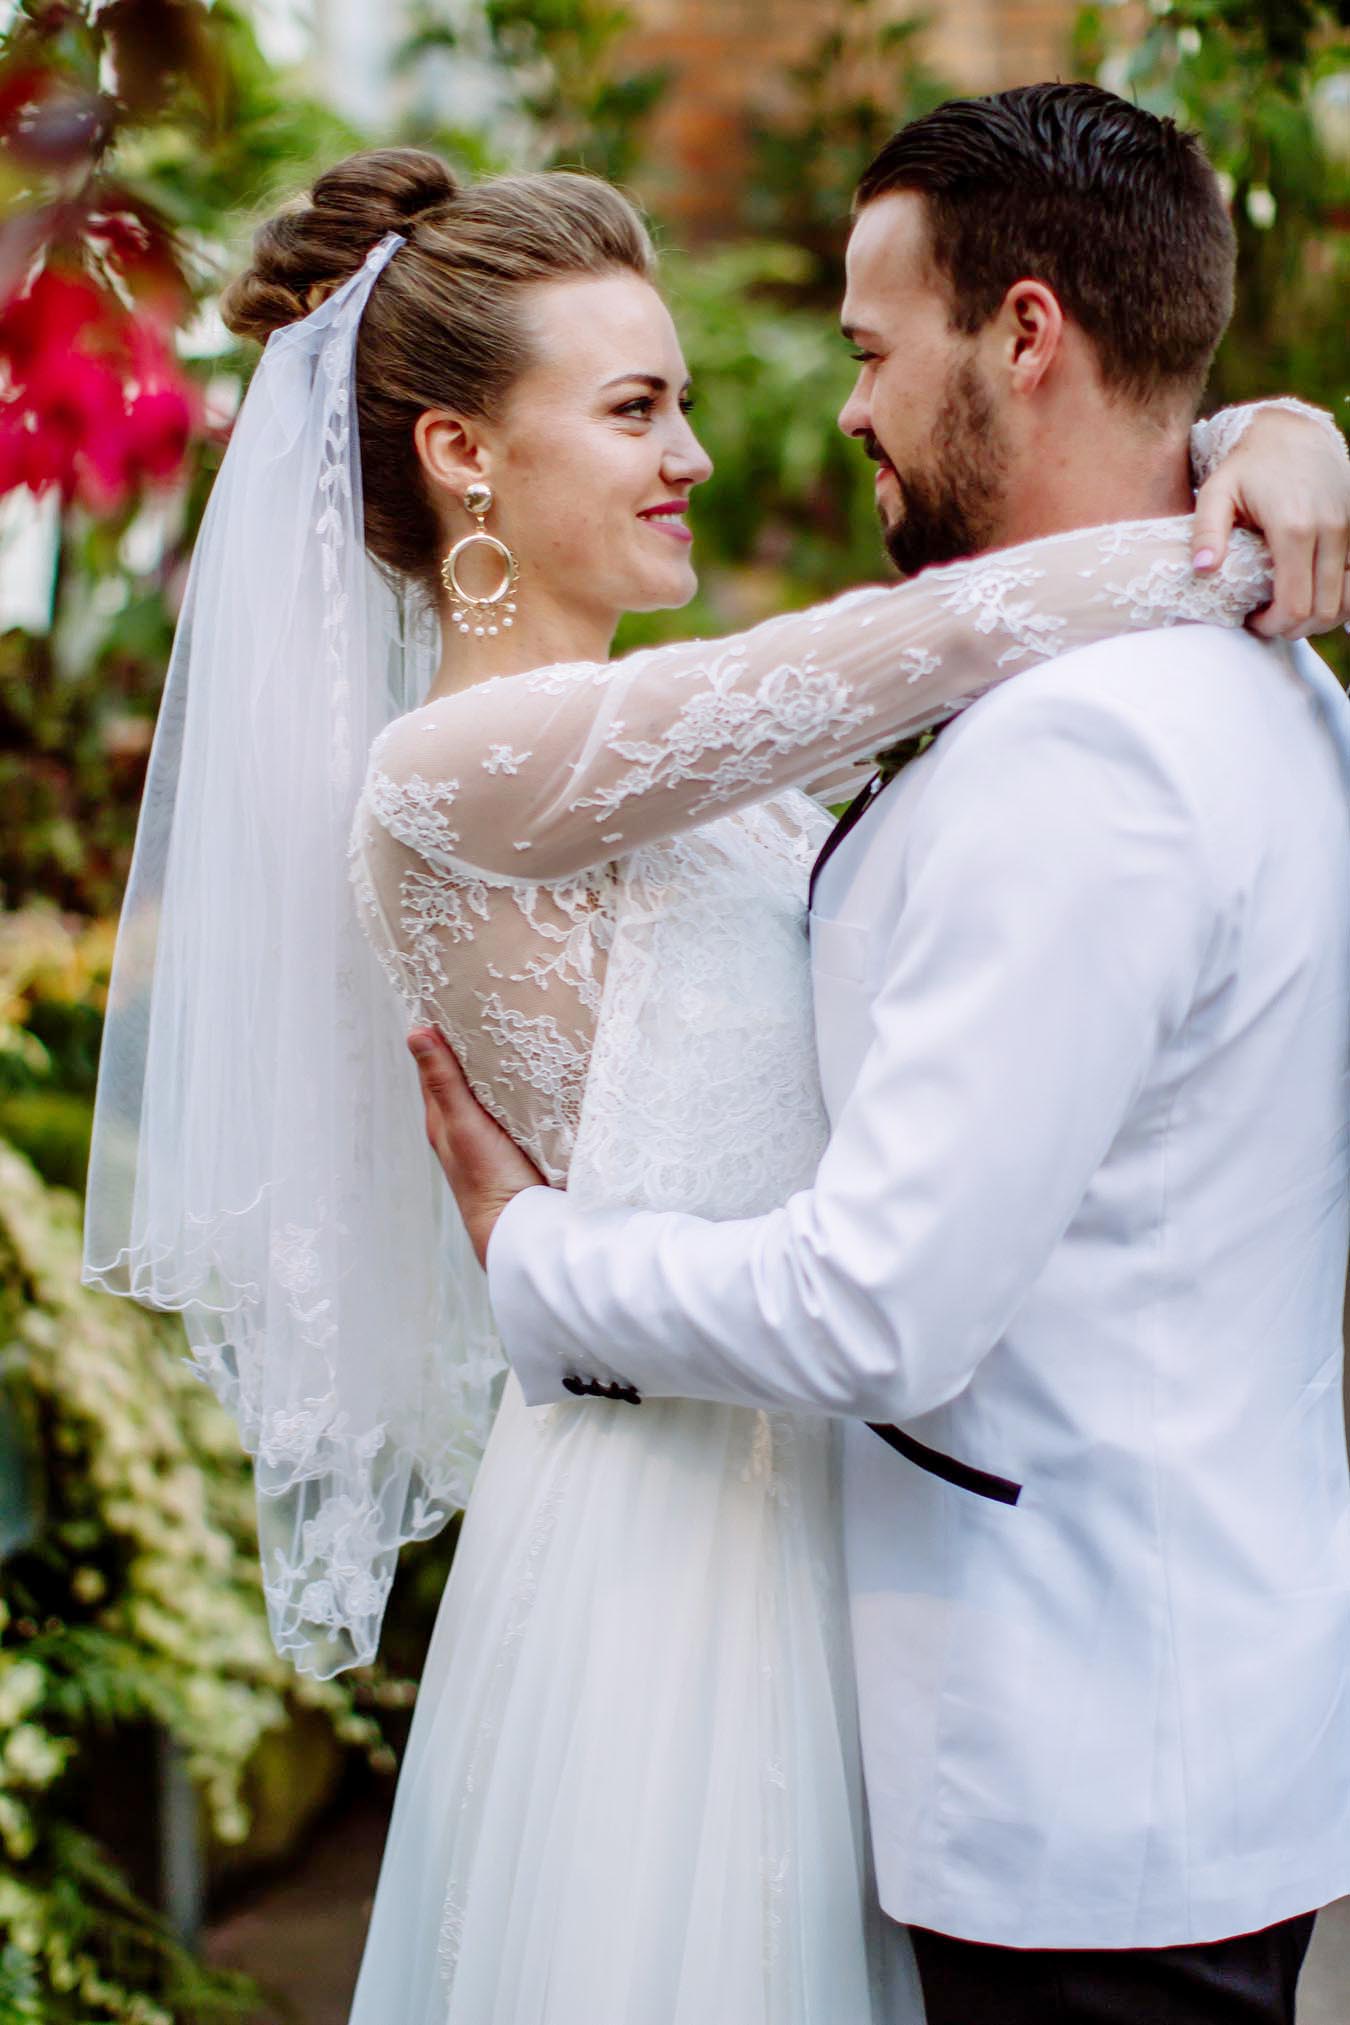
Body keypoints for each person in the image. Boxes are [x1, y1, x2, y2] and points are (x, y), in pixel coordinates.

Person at [80, 108, 1349, 2025]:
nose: (697, 453)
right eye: (633, 410)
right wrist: (1236, 504)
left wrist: (1256, 434)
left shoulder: (668, 750)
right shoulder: (452, 770)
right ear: (460, 455)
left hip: (837, 1532)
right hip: (672, 1541)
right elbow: (914, 641)